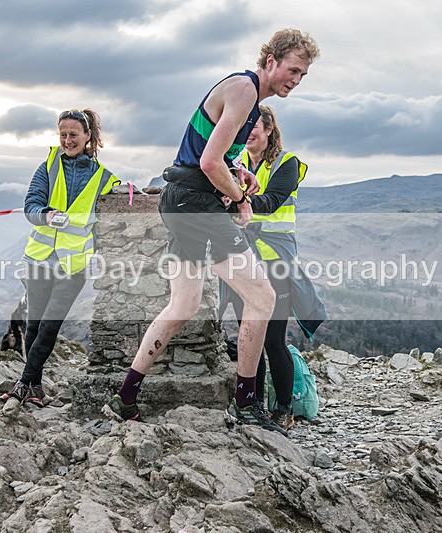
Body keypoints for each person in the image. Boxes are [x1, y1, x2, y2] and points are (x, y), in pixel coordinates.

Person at [103, 29, 320, 434]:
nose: (296, 80)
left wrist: (237, 172)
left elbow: (213, 155)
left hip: (180, 201)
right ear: (270, 60)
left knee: (183, 305)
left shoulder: (248, 100)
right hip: (197, 204)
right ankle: (246, 403)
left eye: (303, 75)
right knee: (262, 297)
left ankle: (125, 396)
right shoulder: (244, 90)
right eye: (293, 70)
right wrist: (240, 199)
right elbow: (207, 163)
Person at [2, 108, 120, 406]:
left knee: (50, 326)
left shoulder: (104, 178)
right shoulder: (48, 166)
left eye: (73, 135)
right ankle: (35, 387)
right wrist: (45, 214)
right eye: (63, 135)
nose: (68, 140)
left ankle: (22, 384)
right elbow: (31, 205)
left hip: (73, 265)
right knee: (34, 325)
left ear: (87, 136)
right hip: (39, 258)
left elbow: (122, 205)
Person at [220, 105, 326, 431]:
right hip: (241, 260)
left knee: (272, 341)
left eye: (255, 125)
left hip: (275, 262)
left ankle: (284, 408)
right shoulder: (235, 163)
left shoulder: (286, 163)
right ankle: (255, 405)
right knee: (247, 337)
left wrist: (236, 201)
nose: (249, 130)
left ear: (269, 129)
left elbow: (271, 201)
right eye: (245, 123)